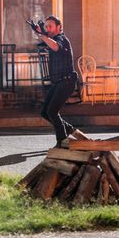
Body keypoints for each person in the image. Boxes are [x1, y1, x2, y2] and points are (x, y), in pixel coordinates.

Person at [36, 16, 78, 148]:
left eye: (50, 26)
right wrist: (40, 32)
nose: (48, 29)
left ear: (59, 27)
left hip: (66, 82)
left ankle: (62, 141)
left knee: (52, 111)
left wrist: (43, 35)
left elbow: (55, 47)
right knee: (45, 112)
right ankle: (69, 129)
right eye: (46, 26)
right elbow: (44, 43)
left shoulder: (62, 39)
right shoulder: (51, 39)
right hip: (58, 82)